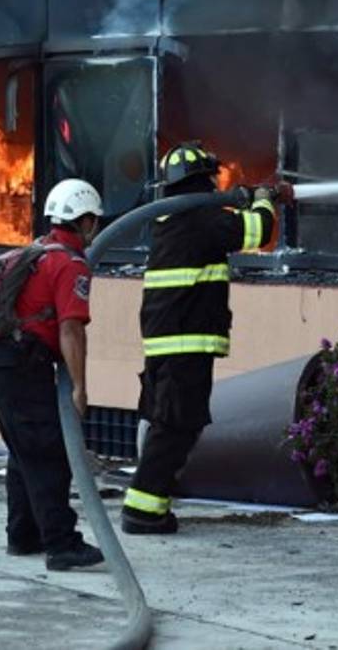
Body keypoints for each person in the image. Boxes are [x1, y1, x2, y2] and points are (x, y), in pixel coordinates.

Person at [121, 141, 294, 534]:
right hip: (186, 341)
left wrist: (249, 198)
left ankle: (153, 501)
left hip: (169, 340)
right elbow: (258, 232)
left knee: (172, 422)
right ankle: (143, 510)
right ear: (202, 182)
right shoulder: (200, 218)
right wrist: (266, 200)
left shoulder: (174, 220)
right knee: (176, 425)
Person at [0, 178, 106, 570]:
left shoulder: (38, 251)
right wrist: (80, 386)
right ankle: (62, 545)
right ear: (85, 221)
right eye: (93, 221)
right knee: (49, 453)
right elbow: (71, 329)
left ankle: (23, 534)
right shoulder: (71, 263)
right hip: (20, 363)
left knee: (25, 451)